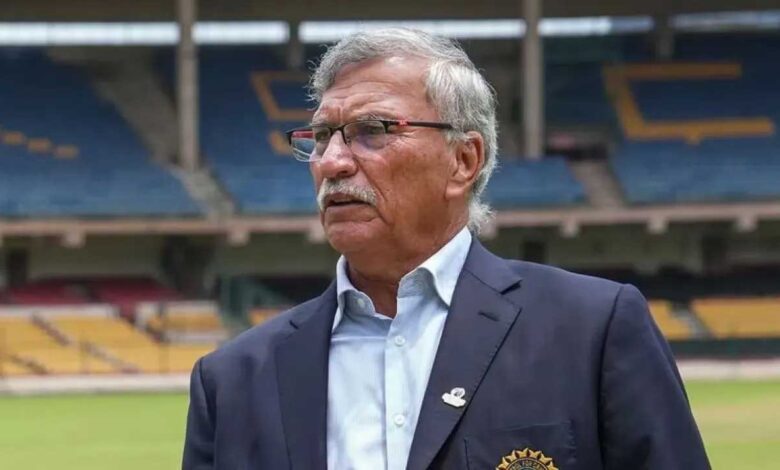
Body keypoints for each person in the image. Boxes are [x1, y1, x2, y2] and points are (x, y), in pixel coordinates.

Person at [183, 28, 710, 470]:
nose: (332, 161)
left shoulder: (594, 331)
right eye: (321, 137)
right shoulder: (231, 380)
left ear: (463, 161)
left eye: (372, 130)